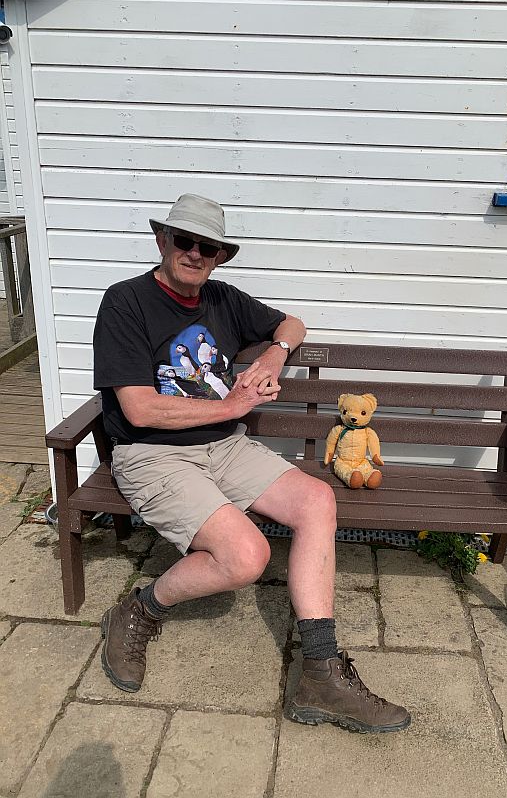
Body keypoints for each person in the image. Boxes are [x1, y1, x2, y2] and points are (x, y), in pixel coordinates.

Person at [93, 194, 410, 734]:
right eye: (184, 241)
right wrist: (231, 405)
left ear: (219, 256)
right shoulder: (125, 303)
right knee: (246, 557)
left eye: (208, 247)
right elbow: (139, 408)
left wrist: (273, 353)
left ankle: (320, 672)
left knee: (317, 499)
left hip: (224, 447)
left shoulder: (222, 299)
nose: (195, 254)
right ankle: (138, 610)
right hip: (153, 453)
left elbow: (292, 323)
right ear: (162, 241)